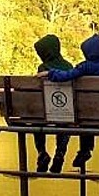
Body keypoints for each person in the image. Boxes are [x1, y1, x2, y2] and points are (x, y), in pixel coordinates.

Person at [39, 33, 99, 170]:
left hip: (85, 117)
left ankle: (85, 150)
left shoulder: (83, 68)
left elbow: (66, 76)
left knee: (87, 118)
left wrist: (50, 73)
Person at [32, 34, 73, 173]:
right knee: (65, 120)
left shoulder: (42, 68)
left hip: (43, 114)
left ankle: (42, 152)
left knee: (36, 120)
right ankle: (60, 153)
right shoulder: (69, 67)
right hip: (66, 112)